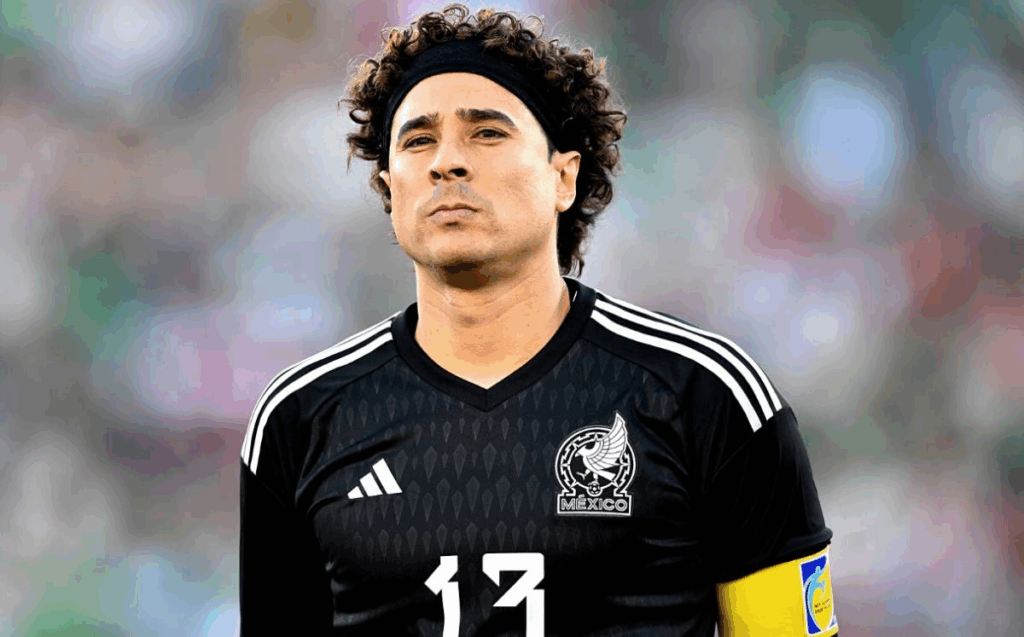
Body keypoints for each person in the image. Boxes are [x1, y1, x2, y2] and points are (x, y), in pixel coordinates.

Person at [238, 4, 838, 636]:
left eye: (486, 133)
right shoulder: (300, 417)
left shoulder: (704, 394)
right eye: (417, 141)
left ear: (563, 177)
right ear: (390, 188)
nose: (446, 162)